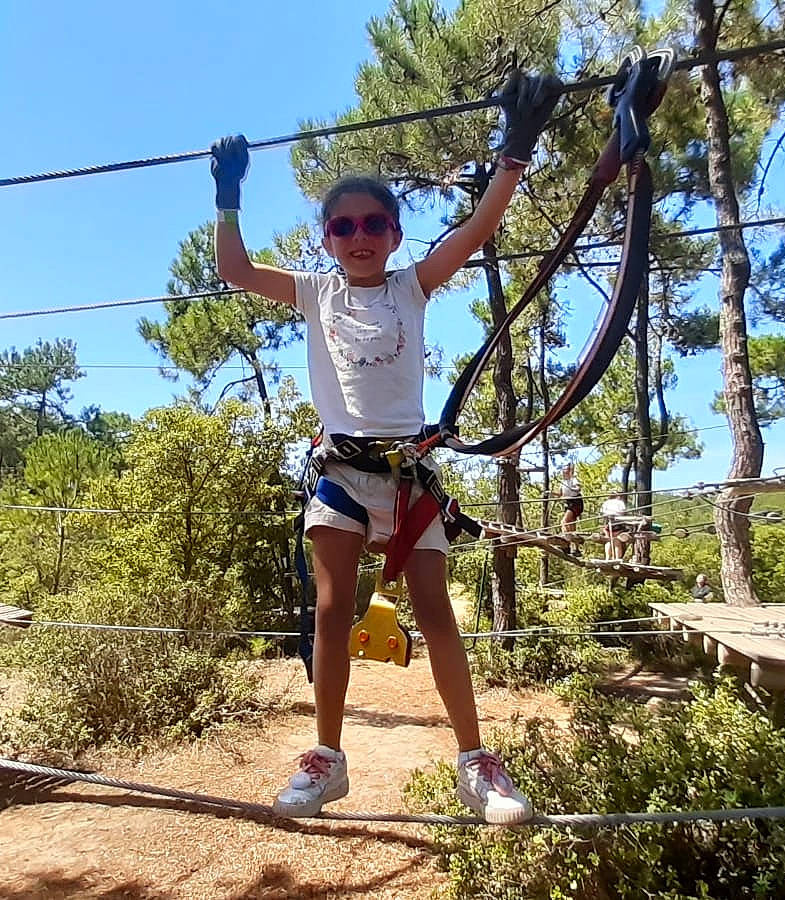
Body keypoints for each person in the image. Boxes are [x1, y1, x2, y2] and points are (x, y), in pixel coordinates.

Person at [208, 70, 563, 825]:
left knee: (435, 614)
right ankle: (326, 759)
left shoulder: (411, 286)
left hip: (407, 481)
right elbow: (235, 271)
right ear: (327, 239)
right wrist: (229, 194)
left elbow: (477, 231)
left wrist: (516, 152)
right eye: (344, 227)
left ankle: (476, 764)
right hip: (339, 473)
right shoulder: (314, 292)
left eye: (374, 225)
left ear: (395, 237)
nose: (360, 237)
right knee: (332, 612)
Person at [599, 491, 631, 561]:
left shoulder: (606, 503)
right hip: (617, 522)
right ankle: (617, 558)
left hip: (608, 522)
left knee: (608, 540)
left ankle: (607, 558)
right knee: (617, 540)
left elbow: (602, 512)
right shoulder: (620, 502)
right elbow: (623, 512)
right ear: (617, 496)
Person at [556, 462, 582, 540]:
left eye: (567, 470)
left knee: (564, 521)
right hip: (568, 503)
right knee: (571, 524)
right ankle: (574, 545)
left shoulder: (573, 480)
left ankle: (566, 539)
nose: (565, 472)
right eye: (564, 470)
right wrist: (550, 492)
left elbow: (578, 488)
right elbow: (560, 494)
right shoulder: (563, 482)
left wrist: (573, 489)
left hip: (575, 502)